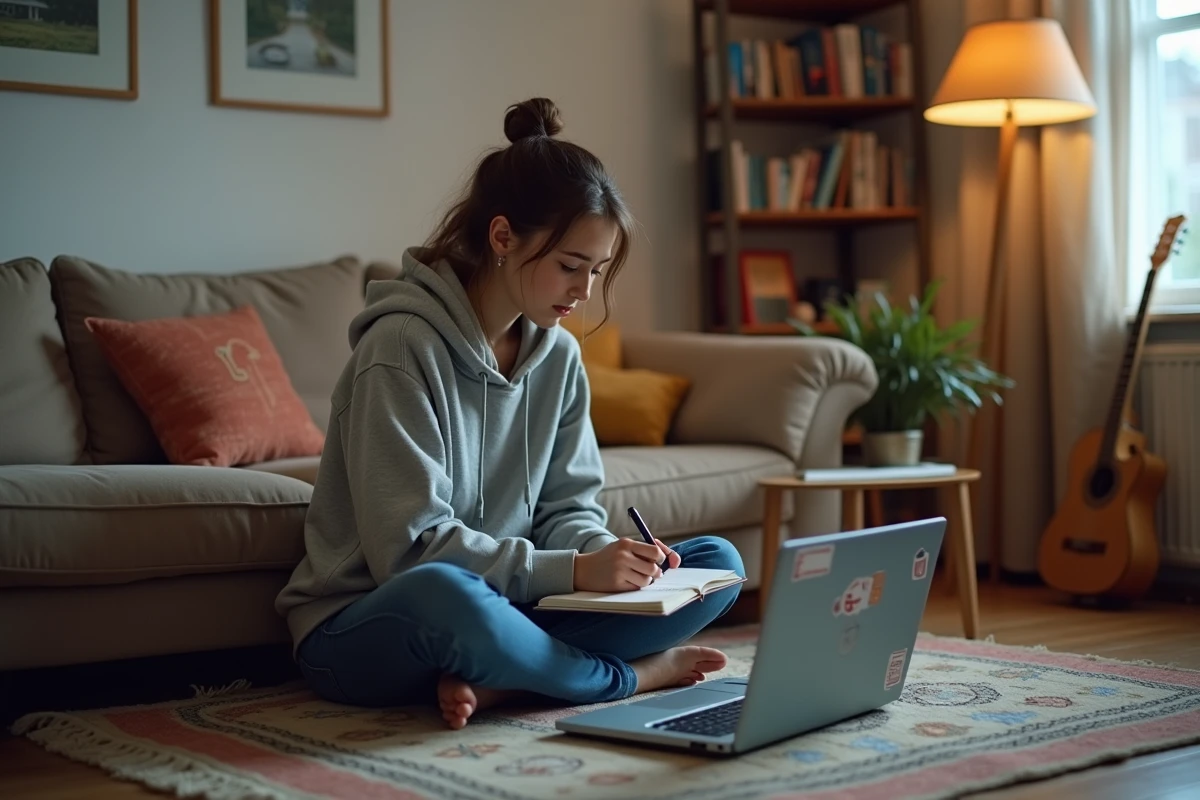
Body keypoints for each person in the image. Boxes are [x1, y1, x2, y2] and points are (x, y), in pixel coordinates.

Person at [275, 97, 745, 730]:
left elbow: (566, 509)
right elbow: (409, 555)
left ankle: (505, 677)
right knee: (447, 593)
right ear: (502, 237)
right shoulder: (399, 348)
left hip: (508, 609)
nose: (583, 291)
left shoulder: (560, 357)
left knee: (717, 564)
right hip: (368, 623)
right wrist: (573, 571)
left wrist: (609, 555)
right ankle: (629, 676)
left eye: (597, 270)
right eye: (570, 266)